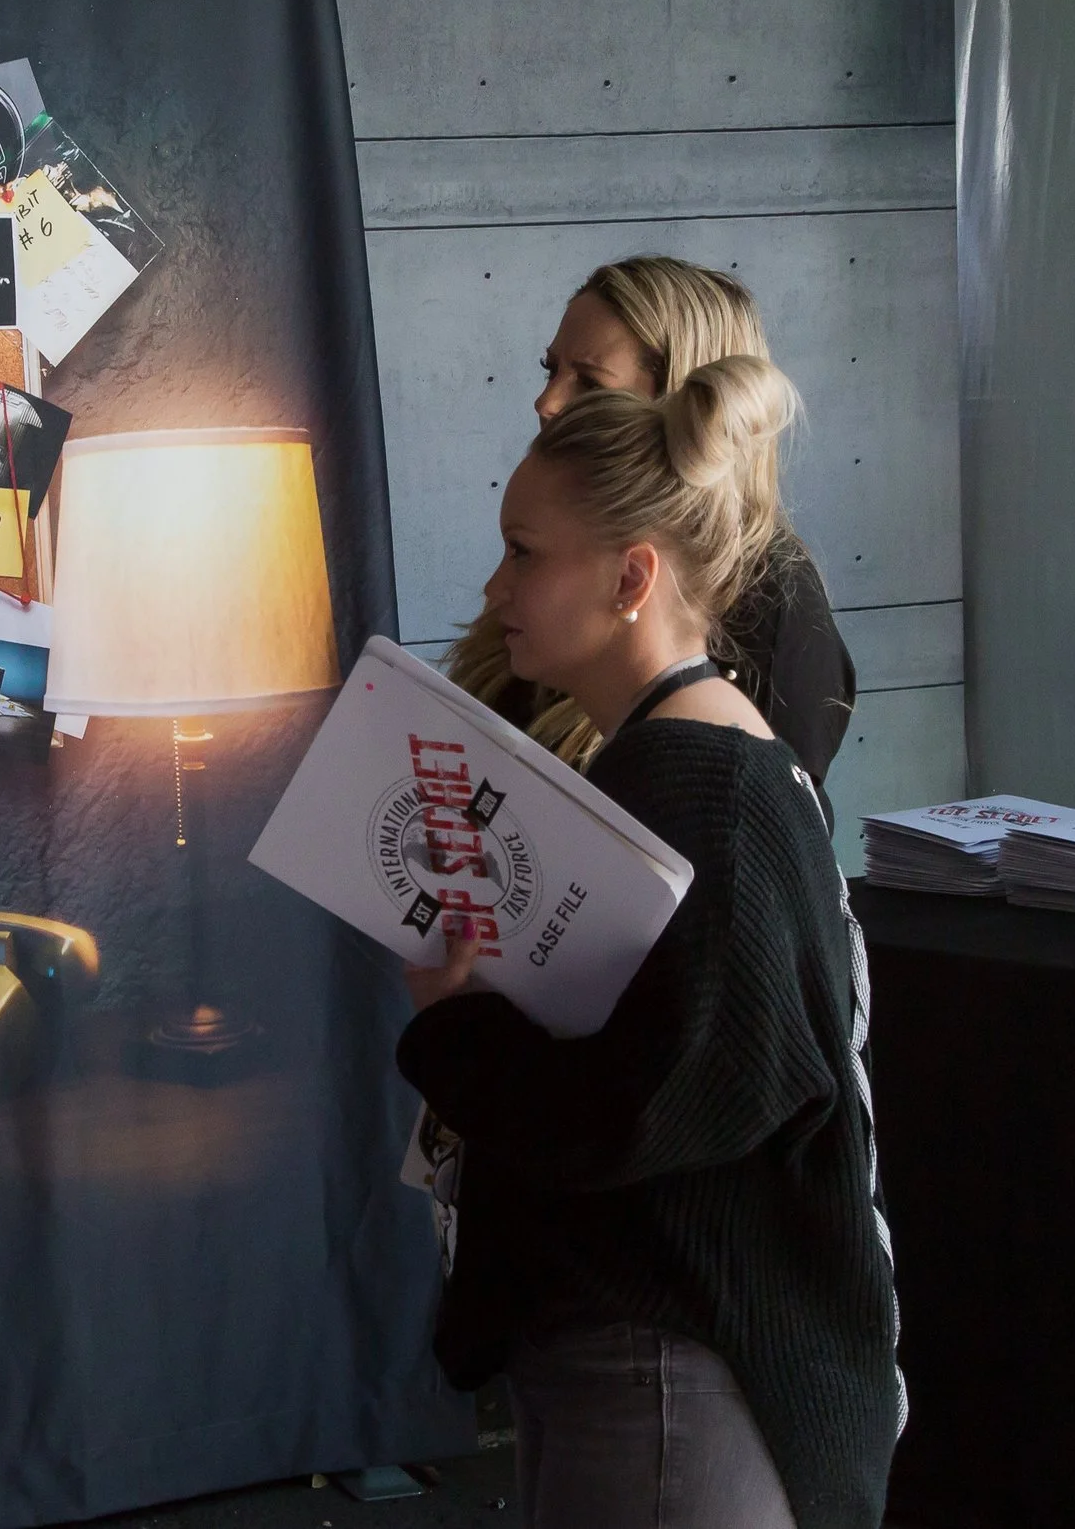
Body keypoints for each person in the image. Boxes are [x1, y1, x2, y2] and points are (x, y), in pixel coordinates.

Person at [396, 355, 902, 1529]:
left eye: (525, 551)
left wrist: (455, 1030)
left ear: (632, 577)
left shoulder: (699, 788)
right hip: (658, 1360)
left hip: (675, 1374)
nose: (495, 582)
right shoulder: (682, 764)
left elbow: (654, 1103)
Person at [448, 257, 855, 791]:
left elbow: (755, 836)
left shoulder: (771, 601)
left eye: (590, 383)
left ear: (688, 401)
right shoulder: (569, 553)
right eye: (551, 369)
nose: (546, 402)